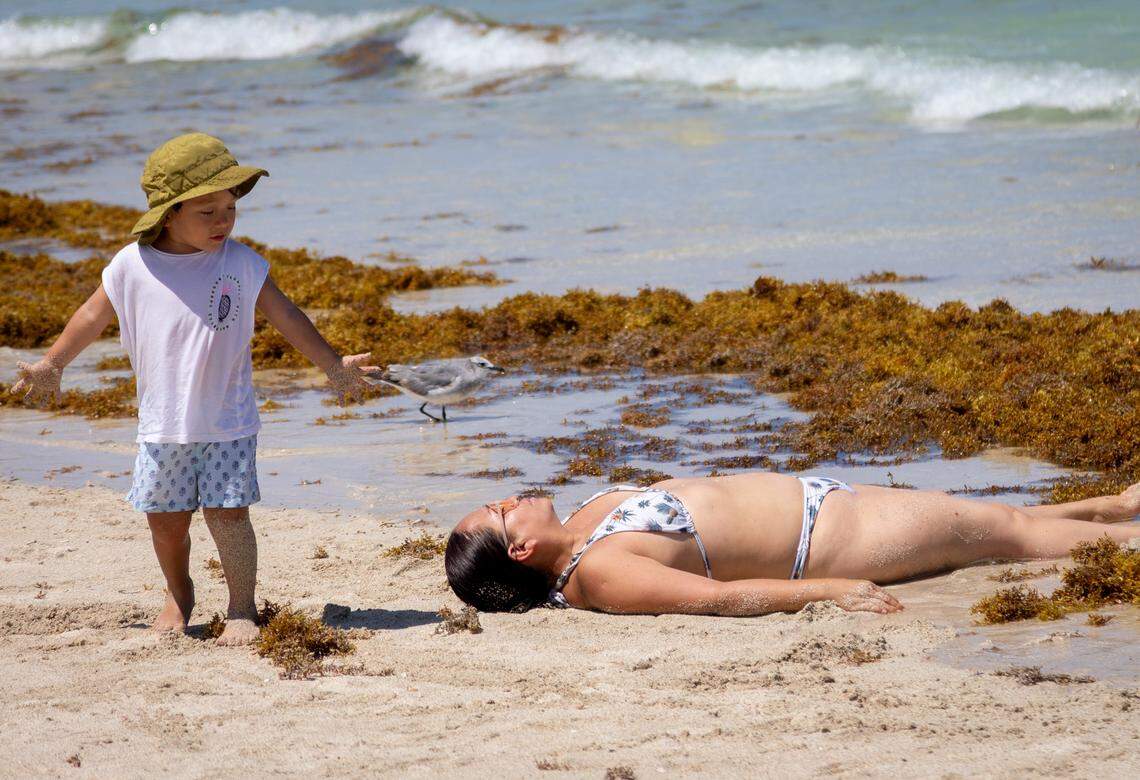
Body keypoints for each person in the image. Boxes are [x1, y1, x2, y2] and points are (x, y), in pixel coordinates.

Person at [10, 132, 375, 645]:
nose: (223, 220)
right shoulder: (131, 266)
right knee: (165, 520)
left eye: (230, 207)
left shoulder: (242, 263)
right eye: (207, 211)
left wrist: (334, 365)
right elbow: (92, 316)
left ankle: (242, 607)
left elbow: (287, 315)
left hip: (227, 421)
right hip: (162, 424)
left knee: (229, 516)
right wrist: (53, 364)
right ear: (168, 213)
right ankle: (178, 593)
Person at [445, 472, 1140, 615]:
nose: (509, 499)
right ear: (522, 553)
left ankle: (1109, 509)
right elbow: (718, 599)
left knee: (983, 518)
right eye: (501, 513)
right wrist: (832, 591)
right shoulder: (600, 574)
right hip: (833, 540)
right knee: (1005, 537)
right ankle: (1125, 532)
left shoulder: (587, 519)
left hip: (821, 497)